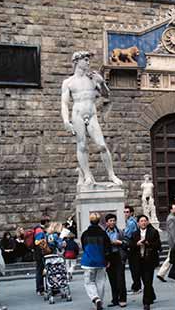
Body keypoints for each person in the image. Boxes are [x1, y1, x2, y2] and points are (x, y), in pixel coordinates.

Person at [61, 51, 122, 186]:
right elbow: (64, 103)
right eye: (86, 60)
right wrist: (66, 120)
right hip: (77, 115)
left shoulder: (93, 78)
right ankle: (88, 175)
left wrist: (102, 82)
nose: (88, 63)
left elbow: (106, 95)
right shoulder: (68, 82)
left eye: (89, 60)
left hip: (92, 114)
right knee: (82, 146)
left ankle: (111, 174)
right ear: (77, 61)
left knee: (102, 145)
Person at [81, 212, 112, 310]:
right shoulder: (103, 234)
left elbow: (83, 246)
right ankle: (100, 302)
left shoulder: (85, 234)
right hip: (101, 261)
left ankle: (95, 298)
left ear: (90, 220)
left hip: (88, 261)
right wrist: (108, 260)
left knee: (89, 282)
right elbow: (108, 248)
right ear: (99, 221)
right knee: (100, 282)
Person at [130, 215, 162, 310]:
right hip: (138, 260)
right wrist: (137, 244)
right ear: (138, 223)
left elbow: (158, 246)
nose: (143, 223)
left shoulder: (153, 232)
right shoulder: (134, 234)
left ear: (147, 222)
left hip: (149, 260)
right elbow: (131, 246)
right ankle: (151, 295)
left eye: (145, 221)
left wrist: (148, 243)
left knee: (148, 281)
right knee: (144, 280)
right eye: (141, 221)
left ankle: (146, 302)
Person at [104, 213, 127, 308]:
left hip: (118, 255)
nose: (113, 222)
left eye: (114, 220)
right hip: (109, 257)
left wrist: (120, 242)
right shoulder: (104, 233)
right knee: (112, 279)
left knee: (120, 279)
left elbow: (126, 243)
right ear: (106, 223)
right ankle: (115, 299)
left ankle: (122, 299)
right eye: (110, 221)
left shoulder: (120, 232)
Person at [157, 204, 175, 282]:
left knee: (170, 257)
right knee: (170, 258)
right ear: (171, 210)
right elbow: (172, 232)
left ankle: (161, 273)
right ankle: (161, 273)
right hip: (174, 242)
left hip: (173, 241)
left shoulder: (173, 218)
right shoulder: (171, 219)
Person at [123, 205, 142, 294]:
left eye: (127, 212)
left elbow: (127, 234)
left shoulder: (131, 223)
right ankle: (136, 286)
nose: (125, 214)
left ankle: (136, 287)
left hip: (132, 246)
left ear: (131, 213)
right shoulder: (131, 221)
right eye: (125, 212)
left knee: (134, 267)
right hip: (134, 245)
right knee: (134, 267)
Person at [33, 215, 50, 295]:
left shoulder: (40, 229)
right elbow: (37, 242)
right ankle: (40, 289)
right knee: (40, 271)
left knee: (41, 270)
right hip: (40, 253)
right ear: (45, 222)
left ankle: (41, 288)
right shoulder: (39, 230)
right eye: (48, 222)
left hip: (40, 253)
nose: (49, 223)